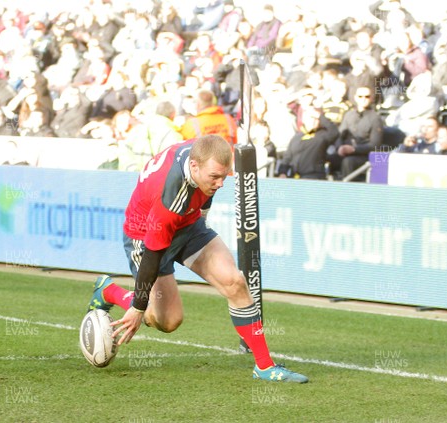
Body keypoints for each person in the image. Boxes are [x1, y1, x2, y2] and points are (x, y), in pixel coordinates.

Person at [87, 135, 309, 383]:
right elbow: (152, 253)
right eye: (214, 177)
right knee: (168, 321)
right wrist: (138, 307)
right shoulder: (171, 194)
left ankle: (265, 367)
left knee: (234, 282)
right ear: (194, 167)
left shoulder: (205, 152)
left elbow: (208, 183)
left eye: (224, 176)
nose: (220, 183)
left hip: (188, 222)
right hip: (146, 235)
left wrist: (202, 215)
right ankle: (110, 291)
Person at [332, 85, 383, 180]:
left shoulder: (375, 118)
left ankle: (347, 191)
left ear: (371, 98)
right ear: (355, 97)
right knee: (326, 158)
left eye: (367, 96)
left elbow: (375, 145)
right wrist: (339, 147)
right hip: (345, 152)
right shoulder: (349, 115)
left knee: (348, 162)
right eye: (360, 96)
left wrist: (354, 149)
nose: (363, 99)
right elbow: (339, 135)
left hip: (362, 155)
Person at [278, 109, 339, 180]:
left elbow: (334, 132)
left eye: (315, 119)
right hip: (295, 177)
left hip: (314, 177)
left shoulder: (323, 135)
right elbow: (287, 157)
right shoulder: (297, 137)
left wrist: (320, 116)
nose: (313, 121)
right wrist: (282, 172)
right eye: (310, 118)